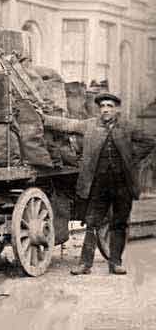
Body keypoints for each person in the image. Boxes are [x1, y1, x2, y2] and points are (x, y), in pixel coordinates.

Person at [41, 92, 156, 275]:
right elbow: (67, 124)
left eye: (109, 106)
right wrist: (43, 118)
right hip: (97, 184)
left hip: (122, 185)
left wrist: (131, 159)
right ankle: (85, 264)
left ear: (116, 109)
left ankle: (115, 263)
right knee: (92, 223)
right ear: (99, 109)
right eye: (102, 106)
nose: (105, 110)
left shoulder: (126, 127)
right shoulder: (90, 125)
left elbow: (150, 141)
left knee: (119, 223)